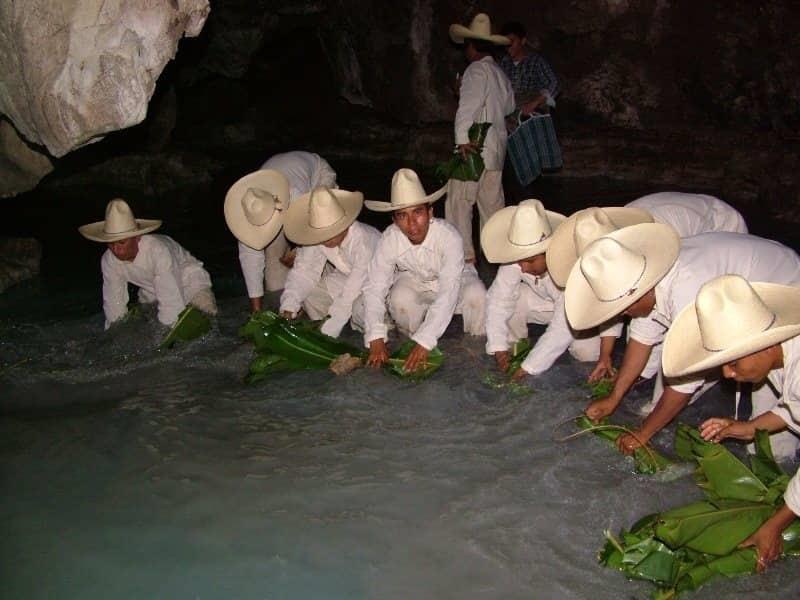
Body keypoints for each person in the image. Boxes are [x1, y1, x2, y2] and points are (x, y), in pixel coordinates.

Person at [563, 226, 800, 457]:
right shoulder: (648, 280)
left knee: (771, 431)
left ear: (639, 293)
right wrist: (615, 397)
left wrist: (643, 433)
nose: (622, 316)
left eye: (623, 309)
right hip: (740, 309)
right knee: (664, 399)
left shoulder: (688, 293)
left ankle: (782, 455)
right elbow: (641, 340)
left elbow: (684, 382)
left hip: (780, 288)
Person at [661, 275, 800, 570]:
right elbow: (793, 409)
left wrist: (775, 524)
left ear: (764, 347)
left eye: (733, 363)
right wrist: (746, 428)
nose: (726, 374)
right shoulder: (781, 353)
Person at [547, 192, 748, 383]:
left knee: (683, 321)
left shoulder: (660, 243)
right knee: (643, 314)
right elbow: (612, 298)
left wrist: (641, 373)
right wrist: (605, 355)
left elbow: (655, 313)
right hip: (685, 234)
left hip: (720, 227)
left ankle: (647, 374)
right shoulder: (610, 251)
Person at [362, 168, 486, 372]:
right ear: (394, 220)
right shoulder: (390, 238)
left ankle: (475, 348)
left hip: (456, 280)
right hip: (415, 279)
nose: (411, 224)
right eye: (403, 215)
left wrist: (426, 341)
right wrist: (375, 336)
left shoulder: (449, 237)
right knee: (399, 299)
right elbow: (374, 287)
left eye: (417, 212)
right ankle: (407, 343)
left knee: (478, 296)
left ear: (430, 212)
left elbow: (448, 292)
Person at [481, 199, 604, 377]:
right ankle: (514, 344)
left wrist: (529, 367)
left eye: (530, 261)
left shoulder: (569, 267)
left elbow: (563, 325)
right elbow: (498, 300)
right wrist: (499, 346)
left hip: (577, 311)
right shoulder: (517, 258)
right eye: (519, 260)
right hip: (543, 302)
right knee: (513, 299)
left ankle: (541, 353)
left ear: (549, 251)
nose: (523, 267)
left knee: (587, 353)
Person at [79, 198, 217, 329]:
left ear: (137, 237)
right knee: (143, 327)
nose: (116, 249)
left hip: (191, 285)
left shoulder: (158, 250)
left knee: (206, 320)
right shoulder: (109, 260)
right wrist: (114, 332)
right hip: (151, 292)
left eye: (121, 242)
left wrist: (168, 331)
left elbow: (171, 298)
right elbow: (113, 303)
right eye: (111, 243)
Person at [225, 151, 337, 310]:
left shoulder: (297, 198)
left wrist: (297, 252)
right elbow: (251, 263)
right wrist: (256, 312)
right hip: (277, 187)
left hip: (317, 176)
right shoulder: (251, 210)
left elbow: (313, 242)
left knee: (322, 249)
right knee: (274, 279)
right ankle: (287, 303)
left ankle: (331, 300)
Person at [446, 13, 515, 263]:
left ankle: (464, 257)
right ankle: (496, 253)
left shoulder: (475, 70)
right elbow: (508, 108)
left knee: (459, 202)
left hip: (474, 147)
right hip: (496, 151)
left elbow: (468, 108)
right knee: (492, 205)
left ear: (471, 45)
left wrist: (462, 139)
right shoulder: (499, 74)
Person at [279, 186, 380, 338]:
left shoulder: (365, 242)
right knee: (310, 295)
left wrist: (326, 332)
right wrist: (288, 305)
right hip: (346, 276)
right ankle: (330, 328)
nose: (325, 239)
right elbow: (304, 272)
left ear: (345, 224)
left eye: (331, 232)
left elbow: (352, 291)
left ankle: (341, 331)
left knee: (361, 310)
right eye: (321, 234)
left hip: (377, 283)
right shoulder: (318, 236)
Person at [498, 21, 559, 117]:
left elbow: (554, 84)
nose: (508, 46)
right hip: (510, 118)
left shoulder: (535, 61)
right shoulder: (503, 64)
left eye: (512, 41)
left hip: (531, 118)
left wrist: (535, 103)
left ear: (522, 41)